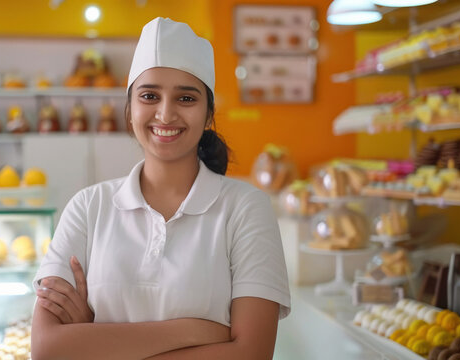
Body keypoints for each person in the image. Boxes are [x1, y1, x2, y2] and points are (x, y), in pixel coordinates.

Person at [31, 17, 290, 360]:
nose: (165, 114)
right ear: (130, 108)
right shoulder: (88, 208)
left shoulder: (245, 209)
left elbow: (252, 354)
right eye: (149, 95)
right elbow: (46, 349)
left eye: (186, 98)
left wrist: (93, 336)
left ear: (209, 113)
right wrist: (197, 331)